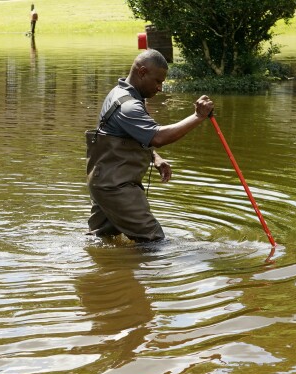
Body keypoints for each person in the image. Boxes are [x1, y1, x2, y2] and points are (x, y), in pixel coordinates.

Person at [86, 49, 214, 243]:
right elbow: (158, 137)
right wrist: (198, 116)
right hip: (115, 187)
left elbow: (130, 136)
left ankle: (104, 271)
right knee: (154, 241)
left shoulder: (121, 93)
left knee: (102, 239)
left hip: (103, 182)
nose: (160, 87)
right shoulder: (127, 105)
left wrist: (155, 158)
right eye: (157, 81)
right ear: (142, 72)